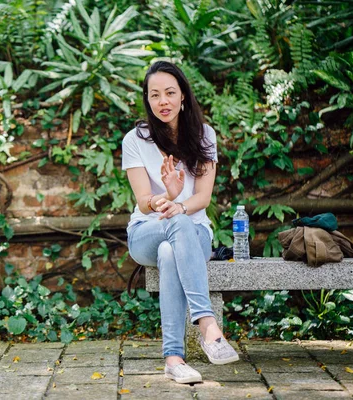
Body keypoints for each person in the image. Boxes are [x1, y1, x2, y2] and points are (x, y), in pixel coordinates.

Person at [122, 61, 239, 384]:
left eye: (170, 93)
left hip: (194, 233)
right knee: (174, 226)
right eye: (155, 95)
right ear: (147, 100)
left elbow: (202, 198)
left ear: (183, 96)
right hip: (147, 230)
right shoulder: (135, 140)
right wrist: (166, 198)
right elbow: (143, 201)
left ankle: (174, 359)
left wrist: (179, 202)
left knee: (172, 250)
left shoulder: (205, 136)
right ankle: (207, 325)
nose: (163, 101)